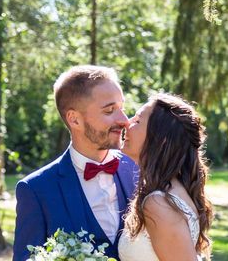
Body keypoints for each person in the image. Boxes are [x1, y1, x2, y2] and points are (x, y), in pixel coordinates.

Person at [13, 65, 137, 261]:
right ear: (74, 120)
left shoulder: (139, 169)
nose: (124, 120)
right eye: (110, 110)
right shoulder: (36, 190)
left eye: (122, 108)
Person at [118, 93, 214, 261]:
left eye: (138, 120)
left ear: (160, 139)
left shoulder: (159, 204)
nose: (127, 123)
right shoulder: (168, 191)